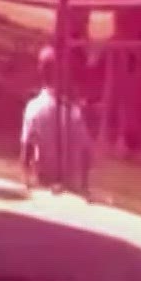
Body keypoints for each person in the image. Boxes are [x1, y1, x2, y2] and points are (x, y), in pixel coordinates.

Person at [21, 45, 92, 198]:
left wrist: (26, 183)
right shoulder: (74, 112)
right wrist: (85, 188)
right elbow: (86, 154)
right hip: (71, 192)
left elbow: (26, 153)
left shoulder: (34, 108)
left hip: (42, 187)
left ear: (40, 70)